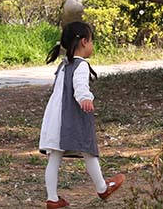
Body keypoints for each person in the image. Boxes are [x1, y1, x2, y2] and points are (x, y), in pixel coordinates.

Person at [39, 21, 125, 208]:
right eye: (92, 41)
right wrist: (85, 98)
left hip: (56, 118)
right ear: (85, 42)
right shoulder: (81, 65)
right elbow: (80, 85)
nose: (93, 45)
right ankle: (102, 187)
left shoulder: (64, 64)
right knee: (88, 149)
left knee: (54, 157)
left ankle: (52, 199)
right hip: (73, 117)